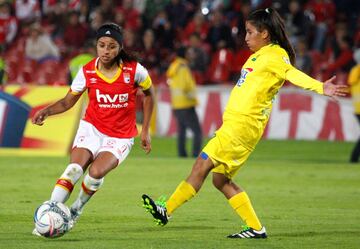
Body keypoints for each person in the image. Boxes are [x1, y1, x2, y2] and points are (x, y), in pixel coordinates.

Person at [141, 8, 348, 239]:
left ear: (265, 33)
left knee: (200, 166)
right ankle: (256, 228)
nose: (246, 37)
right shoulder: (257, 56)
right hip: (239, 126)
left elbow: (292, 74)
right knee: (221, 180)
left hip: (241, 127)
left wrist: (321, 87)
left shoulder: (275, 55)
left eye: (250, 32)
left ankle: (166, 210)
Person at [31, 23, 154, 235]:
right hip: (92, 128)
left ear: (120, 48)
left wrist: (146, 130)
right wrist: (47, 111)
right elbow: (68, 101)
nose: (106, 51)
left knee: (95, 173)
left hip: (121, 136)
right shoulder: (87, 71)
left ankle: (75, 211)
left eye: (112, 46)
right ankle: (48, 216)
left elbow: (150, 94)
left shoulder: (134, 70)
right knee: (74, 170)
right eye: (102, 45)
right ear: (96, 46)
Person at [167, 46, 202, 158]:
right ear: (184, 54)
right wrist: (194, 99)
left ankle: (182, 155)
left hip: (177, 104)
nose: (191, 55)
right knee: (198, 132)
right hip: (186, 104)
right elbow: (186, 86)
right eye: (189, 52)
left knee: (182, 131)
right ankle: (195, 155)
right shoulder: (183, 67)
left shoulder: (174, 66)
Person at [349, 48, 360, 163]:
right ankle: (353, 158)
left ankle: (354, 158)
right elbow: (352, 81)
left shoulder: (355, 71)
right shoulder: (357, 70)